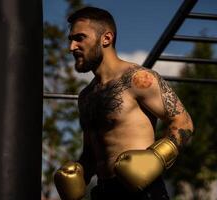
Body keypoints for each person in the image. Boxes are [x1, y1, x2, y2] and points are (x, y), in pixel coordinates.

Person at [54, 6, 194, 200]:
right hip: (103, 193)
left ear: (106, 38)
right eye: (71, 40)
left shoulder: (139, 79)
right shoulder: (86, 96)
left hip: (142, 192)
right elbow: (91, 152)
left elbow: (184, 123)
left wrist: (156, 158)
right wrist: (79, 174)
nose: (72, 47)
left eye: (80, 38)